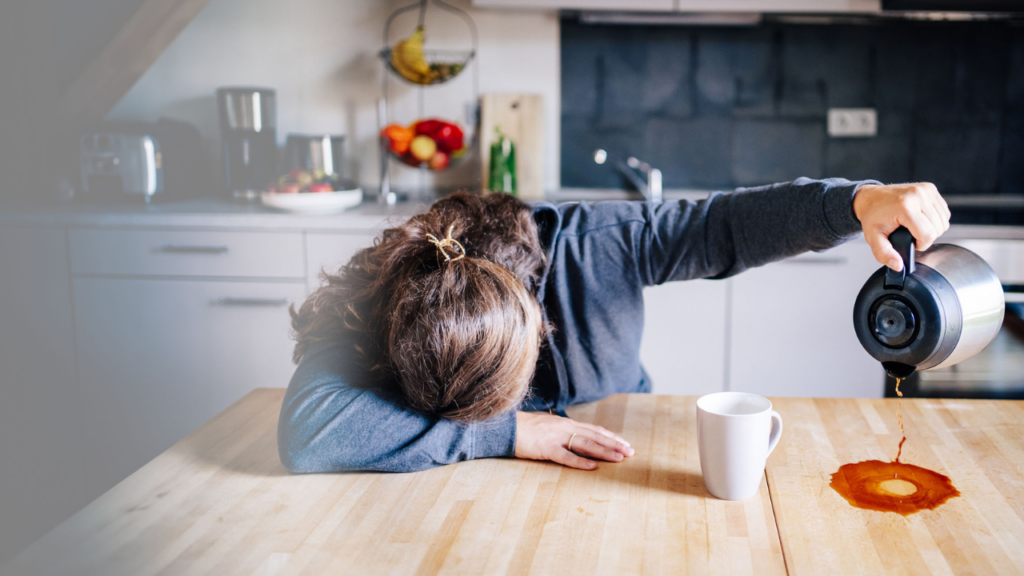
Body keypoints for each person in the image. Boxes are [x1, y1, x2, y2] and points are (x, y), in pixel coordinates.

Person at [278, 178, 950, 473]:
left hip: (620, 450)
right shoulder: (387, 297)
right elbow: (309, 433)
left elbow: (722, 227)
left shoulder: (599, 244)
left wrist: (854, 201)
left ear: (537, 320)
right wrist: (508, 433)